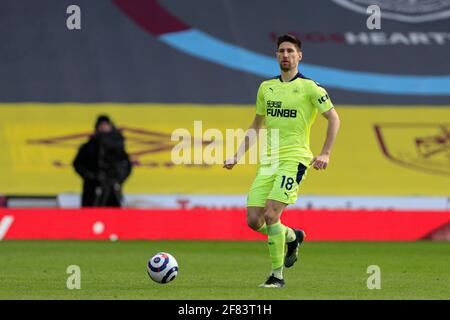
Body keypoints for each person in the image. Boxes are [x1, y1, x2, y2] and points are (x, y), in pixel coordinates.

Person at [224, 34, 340, 288]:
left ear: (299, 56)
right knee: (254, 220)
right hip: (269, 162)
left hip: (294, 160)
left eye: (290, 51)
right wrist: (237, 154)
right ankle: (292, 236)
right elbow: (256, 125)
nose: (285, 55)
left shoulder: (311, 88)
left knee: (271, 213)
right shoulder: (266, 88)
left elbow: (334, 118)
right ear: (276, 56)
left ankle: (276, 276)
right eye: (281, 51)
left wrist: (325, 153)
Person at [73, 115, 132, 207]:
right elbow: (78, 164)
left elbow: (127, 165)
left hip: (112, 188)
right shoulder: (89, 146)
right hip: (93, 188)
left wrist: (117, 179)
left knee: (113, 215)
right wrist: (92, 177)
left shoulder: (118, 146)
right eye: (101, 125)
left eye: (106, 125)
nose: (104, 127)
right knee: (92, 215)